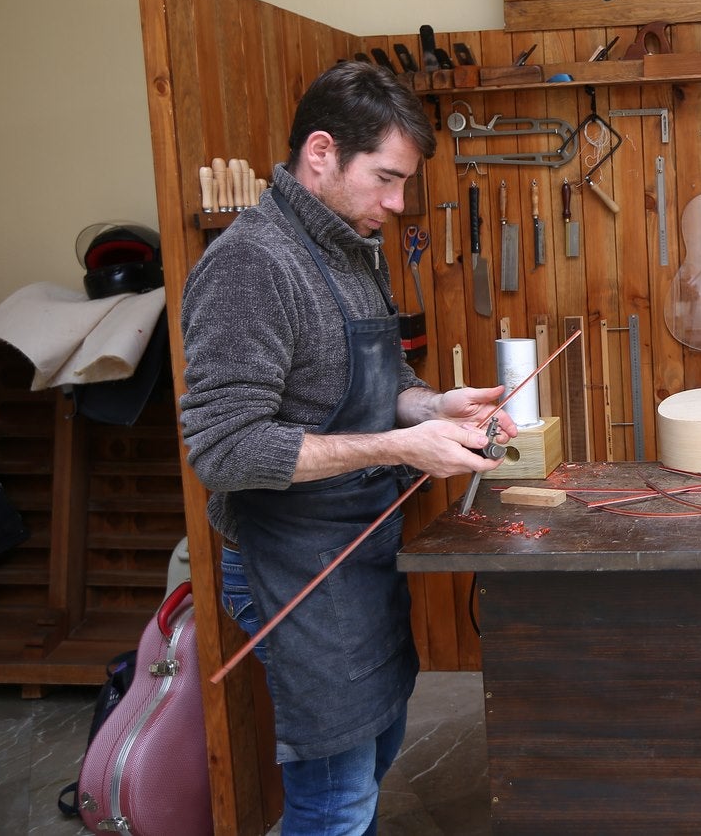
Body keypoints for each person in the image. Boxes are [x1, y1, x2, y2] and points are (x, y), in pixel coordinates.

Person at [178, 60, 516, 836]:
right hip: (293, 565)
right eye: (387, 180)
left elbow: (380, 375)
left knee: (380, 746)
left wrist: (433, 404)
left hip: (357, 554)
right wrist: (403, 442)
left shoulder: (350, 246)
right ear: (322, 153)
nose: (397, 205)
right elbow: (226, 451)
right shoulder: (253, 265)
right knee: (335, 801)